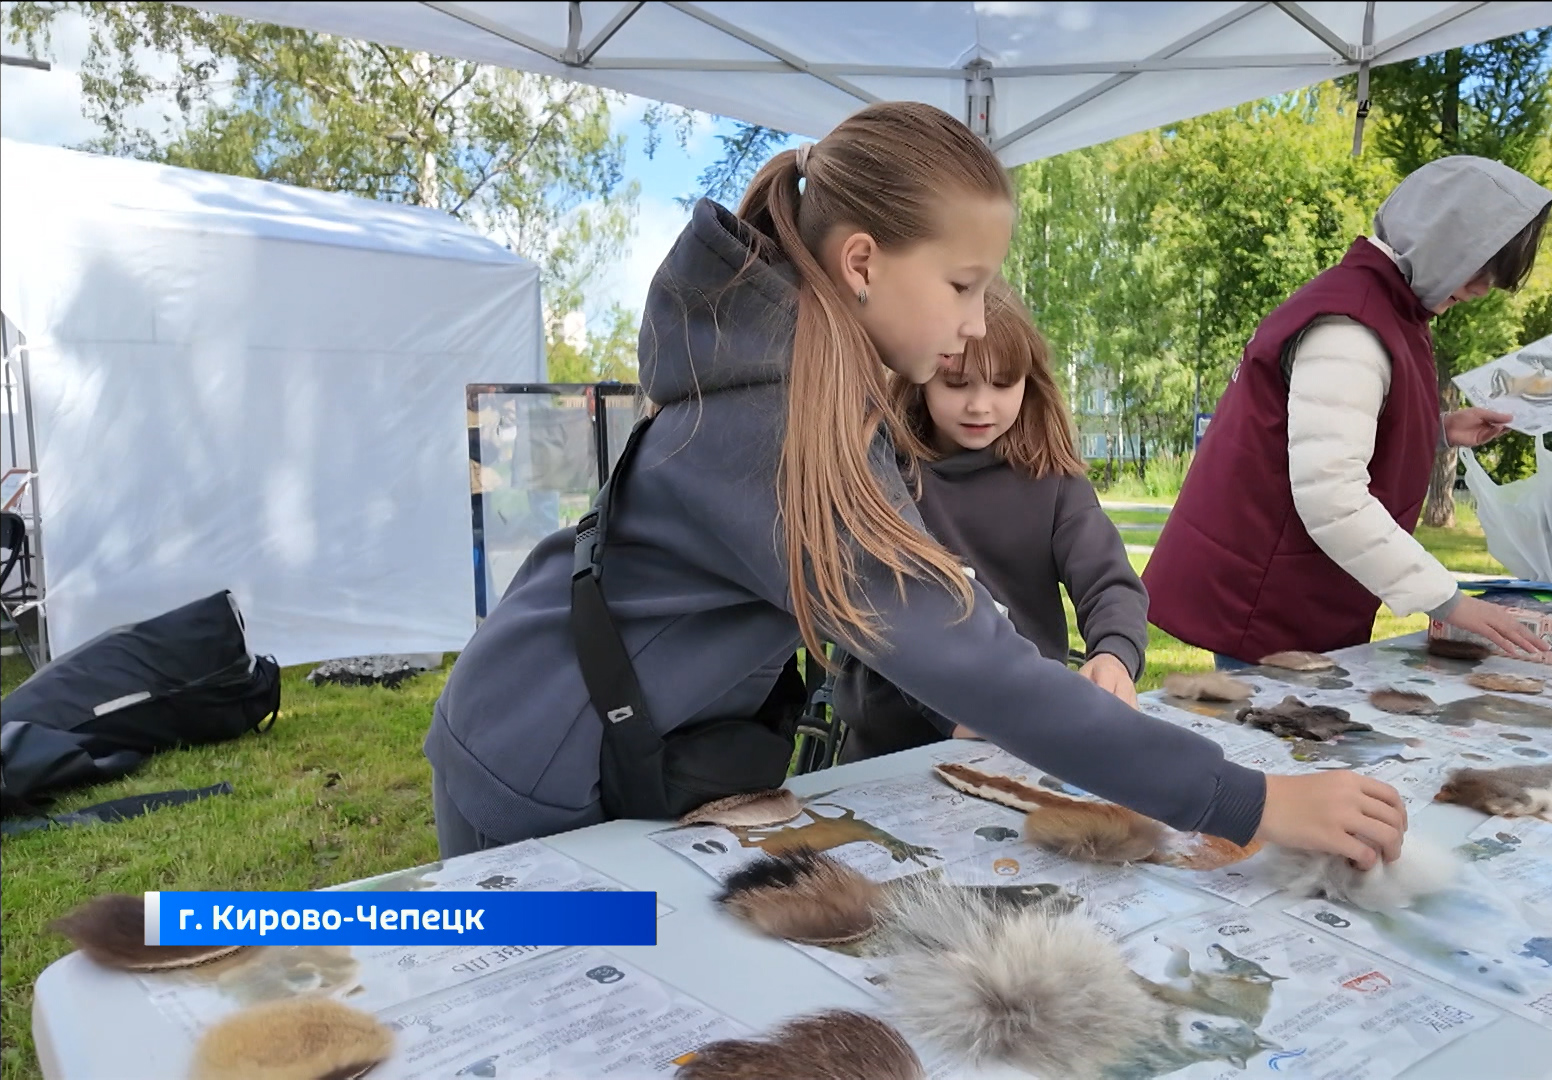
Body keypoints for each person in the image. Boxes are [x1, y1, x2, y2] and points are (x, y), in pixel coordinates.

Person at [424, 102, 1406, 872]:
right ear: (862, 263)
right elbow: (973, 660)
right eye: (963, 284)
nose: (978, 325)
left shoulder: (799, 386)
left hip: (577, 721)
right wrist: (1255, 803)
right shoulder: (777, 426)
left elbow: (941, 613)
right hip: (534, 754)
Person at [1144, 156, 1552, 668]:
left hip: (1289, 595)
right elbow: (1332, 498)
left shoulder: (1380, 305)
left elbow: (1330, 430)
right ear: (1440, 239)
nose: (1481, 290)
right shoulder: (1351, 326)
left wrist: (1438, 432)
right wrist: (1449, 602)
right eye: (1479, 268)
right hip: (1268, 603)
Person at [832, 279, 1145, 762]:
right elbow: (881, 613)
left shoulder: (1054, 479)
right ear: (920, 378)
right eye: (956, 383)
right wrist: (956, 713)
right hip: (890, 747)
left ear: (1030, 381)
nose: (980, 405)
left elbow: (1110, 584)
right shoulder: (884, 470)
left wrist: (1114, 654)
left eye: (1003, 384)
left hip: (1020, 739)